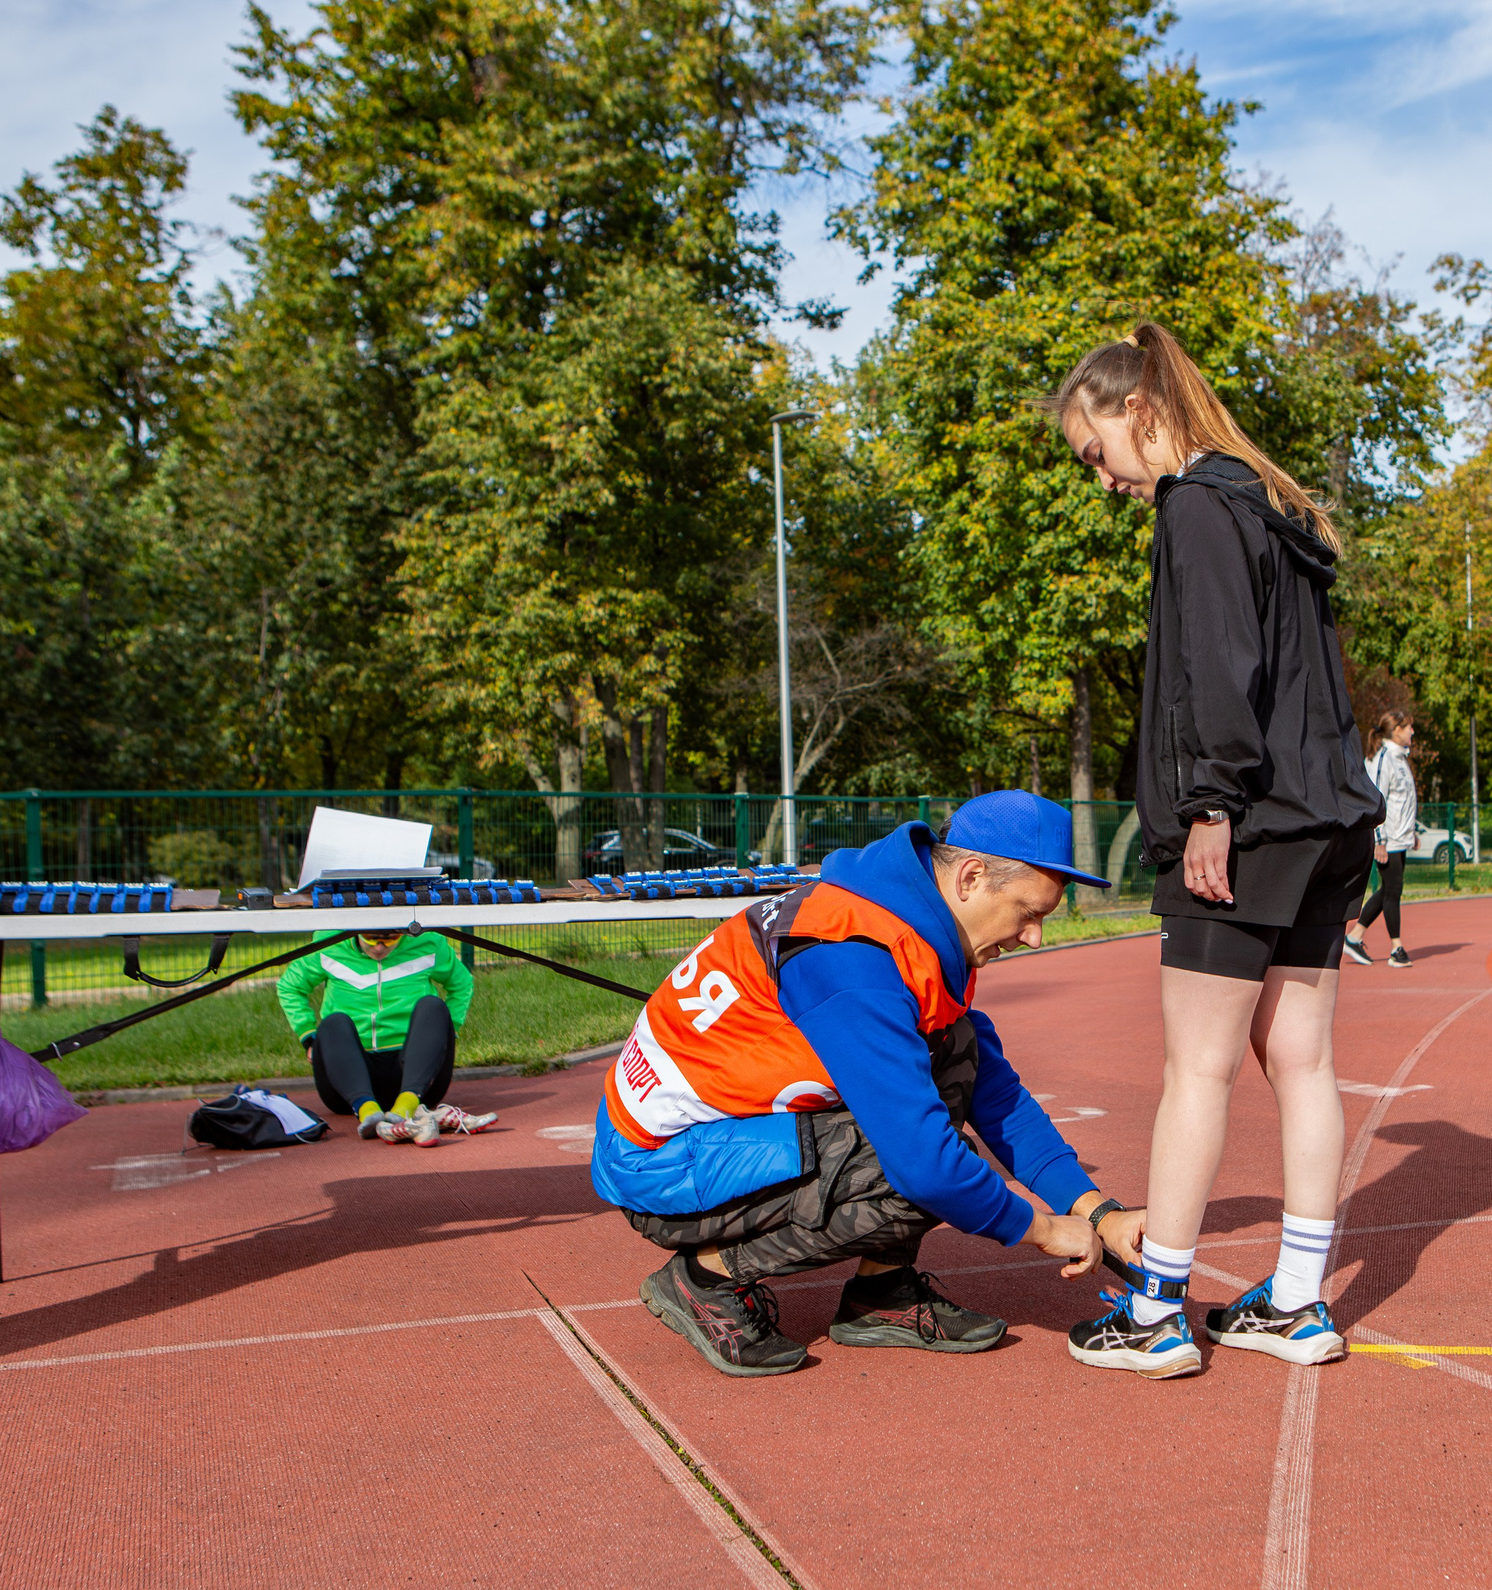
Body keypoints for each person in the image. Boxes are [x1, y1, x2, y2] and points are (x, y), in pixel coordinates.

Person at [1044, 322, 1384, 1378]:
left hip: (1250, 820)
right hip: (1328, 817)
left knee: (1195, 1064)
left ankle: (1155, 1309)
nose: (1100, 482)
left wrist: (1210, 806)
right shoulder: (1267, 501)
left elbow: (1217, 673)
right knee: (1304, 1060)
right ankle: (1297, 1300)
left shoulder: (1195, 504)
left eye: (1094, 454)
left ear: (1135, 411)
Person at [591, 791, 1149, 1378]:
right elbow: (926, 1166)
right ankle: (705, 1277)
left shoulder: (907, 920)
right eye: (1027, 912)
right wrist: (1038, 1230)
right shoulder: (856, 957)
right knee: (914, 1163)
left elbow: (992, 1088)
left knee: (954, 1055)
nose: (1033, 936)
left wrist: (1096, 1212)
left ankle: (881, 1298)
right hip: (659, 1165)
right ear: (971, 876)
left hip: (716, 1134)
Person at [278, 926, 475, 1145]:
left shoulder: (429, 942)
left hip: (419, 1080)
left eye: (391, 939)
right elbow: (289, 986)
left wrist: (448, 1031)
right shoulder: (327, 944)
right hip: (347, 1082)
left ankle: (406, 1105)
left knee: (433, 1007)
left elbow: (462, 982)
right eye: (371, 938)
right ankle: (366, 1109)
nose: (380, 948)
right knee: (333, 1022)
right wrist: (308, 1037)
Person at [1345, 711, 1419, 969]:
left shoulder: (1400, 759)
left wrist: (1413, 831)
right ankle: (1396, 948)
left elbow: (1403, 801)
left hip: (1400, 836)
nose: (1412, 732)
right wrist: (1379, 839)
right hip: (1387, 837)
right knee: (1393, 891)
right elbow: (1376, 798)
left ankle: (1354, 937)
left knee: (1389, 890)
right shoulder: (1384, 758)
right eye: (1409, 727)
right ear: (1396, 729)